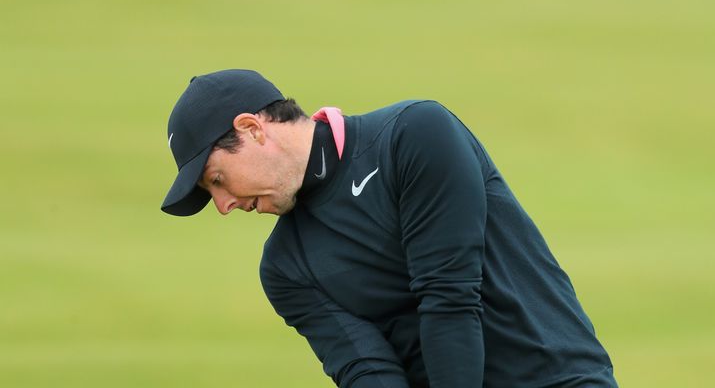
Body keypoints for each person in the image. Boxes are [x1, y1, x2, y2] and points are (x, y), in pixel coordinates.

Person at [161, 69, 618, 387]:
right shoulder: (285, 268)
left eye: (217, 180)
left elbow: (450, 298)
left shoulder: (414, 135)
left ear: (252, 130)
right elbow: (366, 372)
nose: (222, 205)